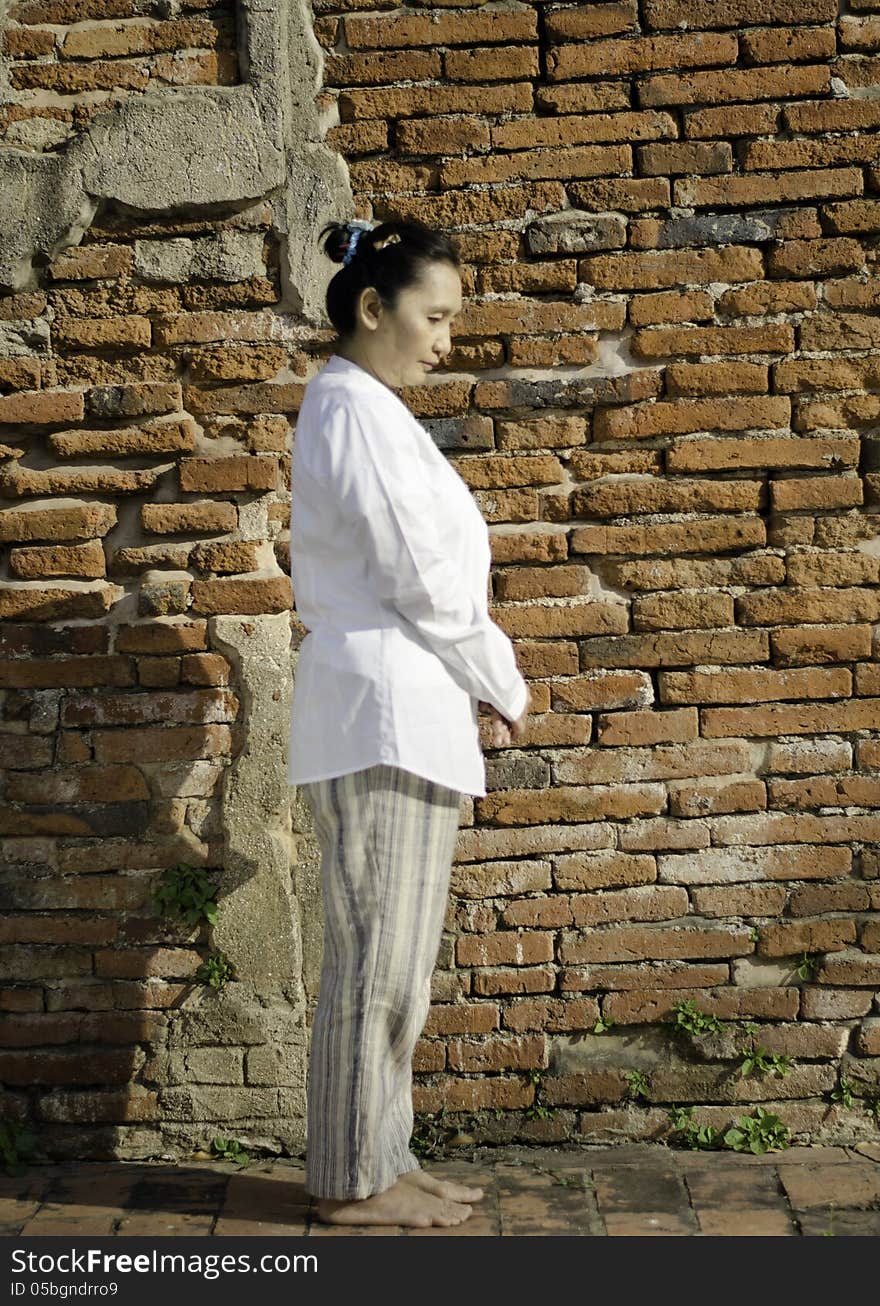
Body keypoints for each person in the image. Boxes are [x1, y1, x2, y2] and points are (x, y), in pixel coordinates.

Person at [287, 215, 531, 1228]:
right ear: (373, 307)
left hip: (405, 713)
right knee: (375, 961)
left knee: (399, 967)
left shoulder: (372, 411)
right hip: (379, 712)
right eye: (433, 317)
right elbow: (421, 578)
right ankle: (352, 1181)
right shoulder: (350, 410)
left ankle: (384, 1155)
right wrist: (502, 679)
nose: (446, 339)